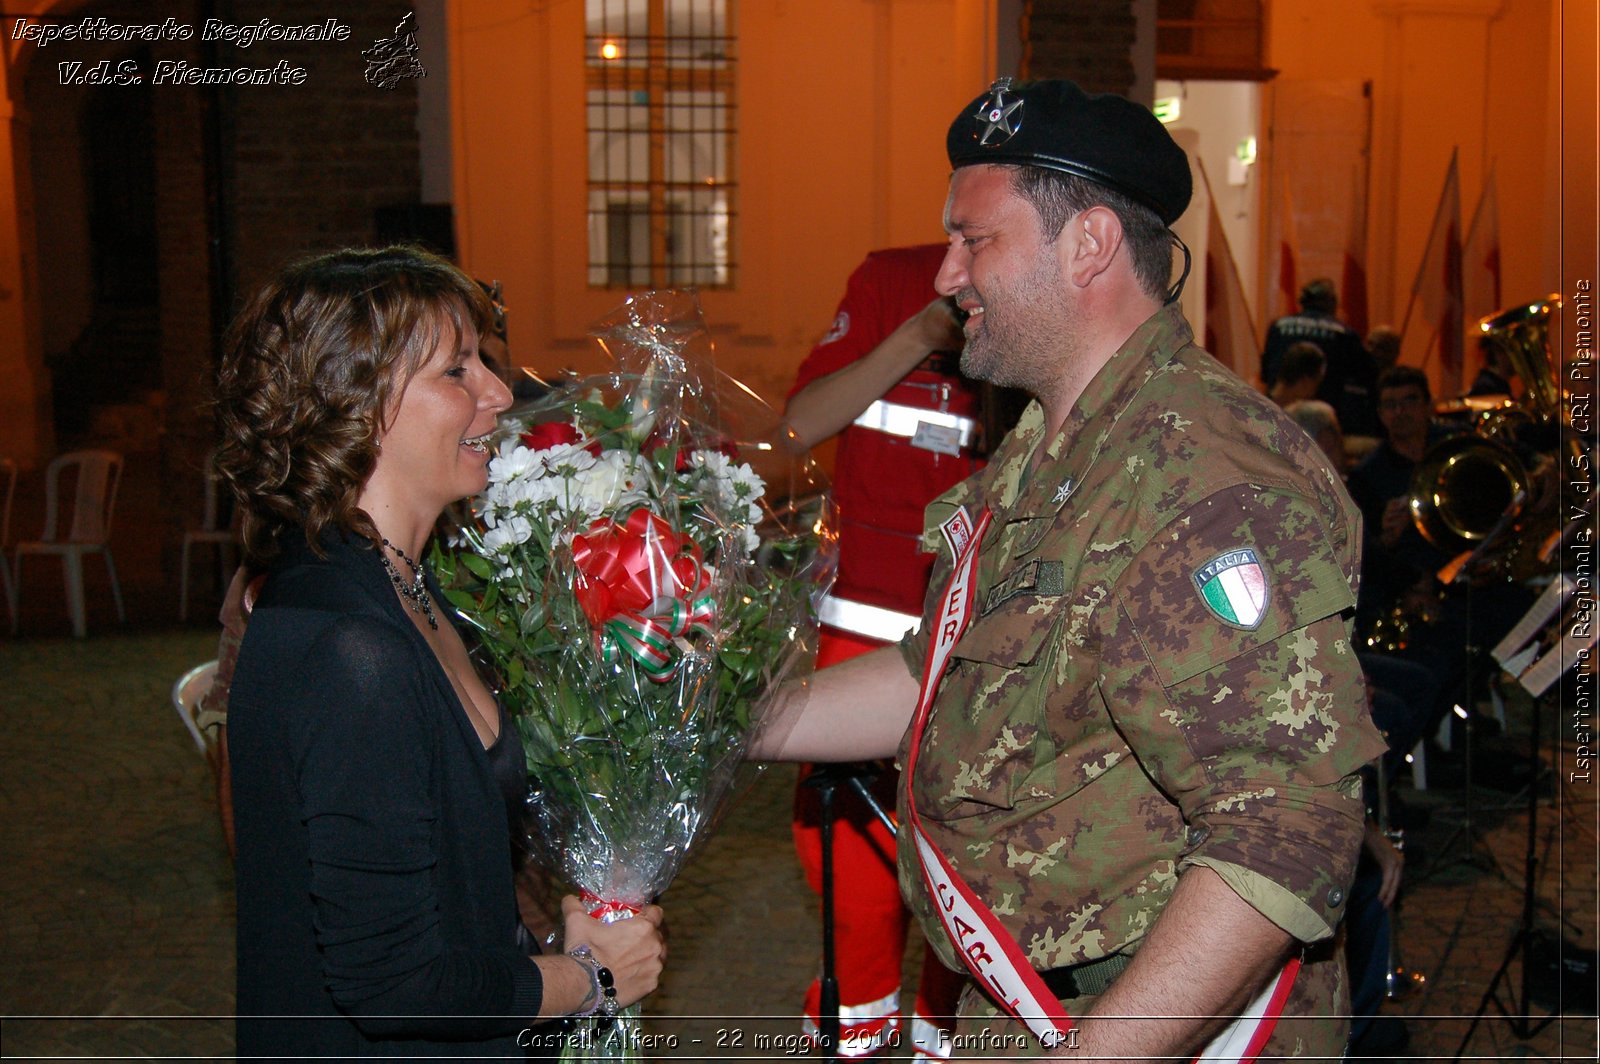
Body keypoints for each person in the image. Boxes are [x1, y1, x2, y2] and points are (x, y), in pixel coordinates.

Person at [756, 78, 1386, 1060]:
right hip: (1033, 1002)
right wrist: (725, 722)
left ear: (1087, 244)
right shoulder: (1051, 442)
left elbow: (1283, 830)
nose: (946, 276)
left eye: (976, 240)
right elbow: (938, 674)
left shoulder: (1202, 474)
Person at [215, 245, 666, 1059]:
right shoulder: (347, 647)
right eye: (458, 371)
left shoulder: (411, 593)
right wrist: (586, 977)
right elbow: (393, 984)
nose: (499, 393)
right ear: (354, 406)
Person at [783, 244, 977, 1058]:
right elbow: (798, 424)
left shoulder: (1053, 293)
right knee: (853, 878)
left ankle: (947, 1041)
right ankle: (855, 1038)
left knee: (971, 878)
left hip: (981, 637)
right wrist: (920, 335)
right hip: (863, 627)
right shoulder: (893, 277)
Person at [1263, 278, 1378, 437]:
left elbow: (1266, 371)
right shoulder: (1344, 334)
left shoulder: (1278, 327)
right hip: (1322, 425)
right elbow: (1369, 377)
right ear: (1331, 302)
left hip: (1274, 416)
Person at [1268, 341, 1327, 408]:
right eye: (1316, 383)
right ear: (1305, 382)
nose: (1313, 393)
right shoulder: (1304, 415)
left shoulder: (1258, 404)